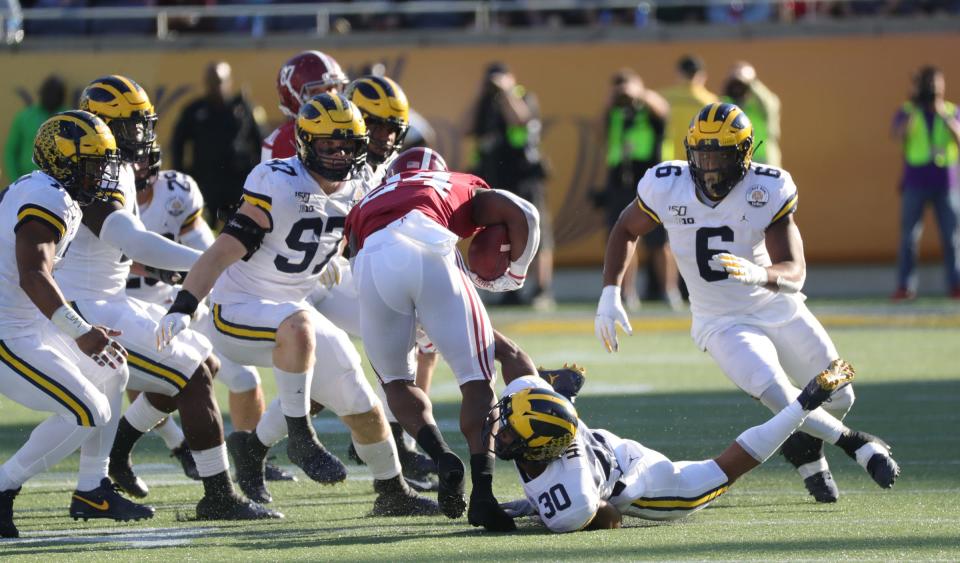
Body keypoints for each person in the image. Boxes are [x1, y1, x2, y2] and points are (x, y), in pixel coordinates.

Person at [595, 102, 900, 504]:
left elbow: (796, 270)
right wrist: (610, 291)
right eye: (701, 156)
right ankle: (856, 444)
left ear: (744, 154)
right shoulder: (666, 183)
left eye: (720, 157)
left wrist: (761, 274)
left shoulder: (767, 188)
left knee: (841, 394)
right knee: (776, 391)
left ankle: (805, 450)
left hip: (776, 305)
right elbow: (625, 228)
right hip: (720, 320)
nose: (709, 168)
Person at [156, 93, 439, 517]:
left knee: (358, 396)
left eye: (348, 145)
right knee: (300, 325)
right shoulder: (279, 183)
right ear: (306, 144)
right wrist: (183, 305)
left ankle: (392, 490)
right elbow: (221, 252)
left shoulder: (361, 186)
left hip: (291, 307)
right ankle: (300, 435)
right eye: (329, 145)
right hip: (237, 308)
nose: (340, 154)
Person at [57, 75, 278, 521]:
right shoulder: (92, 174)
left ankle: (114, 456)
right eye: (133, 125)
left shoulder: (108, 168)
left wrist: (209, 259)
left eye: (144, 124)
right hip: (85, 308)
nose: (144, 135)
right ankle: (218, 494)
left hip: (105, 298)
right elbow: (135, 243)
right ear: (104, 125)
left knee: (206, 363)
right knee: (192, 374)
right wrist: (215, 257)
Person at [344, 146, 541, 531]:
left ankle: (439, 456)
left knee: (397, 382)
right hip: (429, 245)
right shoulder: (455, 182)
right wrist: (514, 274)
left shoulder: (367, 200)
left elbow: (357, 264)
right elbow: (524, 213)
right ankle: (483, 493)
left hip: (371, 262)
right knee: (475, 378)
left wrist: (415, 316)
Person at [0, 110, 154, 538]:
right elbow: (34, 274)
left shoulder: (51, 192)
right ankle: (3, 486)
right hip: (7, 331)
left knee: (113, 368)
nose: (103, 175)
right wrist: (79, 330)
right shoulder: (46, 198)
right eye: (93, 165)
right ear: (62, 160)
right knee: (88, 410)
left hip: (26, 322)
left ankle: (92, 488)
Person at [490, 364, 874, 532]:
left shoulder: (571, 498)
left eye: (509, 432)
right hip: (612, 452)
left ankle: (805, 403)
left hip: (654, 490)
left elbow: (609, 516)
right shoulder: (546, 421)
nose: (500, 431)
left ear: (541, 448)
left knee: (725, 469)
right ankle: (566, 390)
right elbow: (525, 381)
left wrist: (538, 512)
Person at [124, 140, 295, 483]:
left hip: (175, 299)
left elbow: (205, 247)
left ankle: (252, 456)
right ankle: (178, 445)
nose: (139, 166)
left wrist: (227, 267)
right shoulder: (99, 198)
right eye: (131, 159)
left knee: (245, 379)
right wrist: (156, 267)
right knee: (147, 382)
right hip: (123, 303)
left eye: (143, 157)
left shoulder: (178, 191)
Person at [470, 62, 554, 307]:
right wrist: (480, 95)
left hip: (524, 174)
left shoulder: (524, 97)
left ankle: (542, 290)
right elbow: (466, 128)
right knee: (500, 234)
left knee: (537, 231)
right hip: (496, 175)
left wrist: (506, 92)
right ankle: (507, 289)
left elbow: (521, 121)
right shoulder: (485, 103)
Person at [600, 68, 680, 311]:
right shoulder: (615, 112)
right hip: (620, 183)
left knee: (659, 241)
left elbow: (663, 110)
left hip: (652, 180)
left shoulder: (649, 109)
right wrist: (613, 100)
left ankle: (669, 290)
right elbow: (600, 131)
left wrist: (638, 93)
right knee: (624, 237)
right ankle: (627, 292)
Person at [891, 65, 960, 300]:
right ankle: (905, 286)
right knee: (909, 238)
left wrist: (942, 113)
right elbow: (899, 135)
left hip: (946, 184)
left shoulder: (951, 110)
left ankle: (956, 285)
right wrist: (916, 108)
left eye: (935, 84)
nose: (932, 89)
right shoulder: (909, 110)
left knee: (952, 238)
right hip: (915, 182)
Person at [171, 61, 263, 222]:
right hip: (206, 181)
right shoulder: (194, 110)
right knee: (205, 226)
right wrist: (182, 177)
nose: (216, 87)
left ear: (229, 82)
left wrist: (258, 177)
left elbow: (260, 142)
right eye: (212, 83)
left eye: (219, 82)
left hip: (238, 181)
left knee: (238, 227)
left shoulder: (243, 108)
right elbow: (178, 144)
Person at [262, 50, 349, 162]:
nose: (331, 98)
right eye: (317, 92)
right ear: (292, 97)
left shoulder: (355, 127)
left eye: (334, 87)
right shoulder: (284, 141)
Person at [4, 75, 67, 183]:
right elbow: (10, 151)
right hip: (27, 180)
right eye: (48, 93)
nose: (51, 97)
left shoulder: (69, 117)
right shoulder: (25, 117)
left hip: (60, 184)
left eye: (56, 94)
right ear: (41, 93)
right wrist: (16, 181)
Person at [722, 62, 781, 167]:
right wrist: (730, 82)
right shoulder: (728, 105)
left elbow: (770, 103)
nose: (738, 88)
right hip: (737, 159)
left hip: (763, 159)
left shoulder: (760, 107)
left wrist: (750, 80)